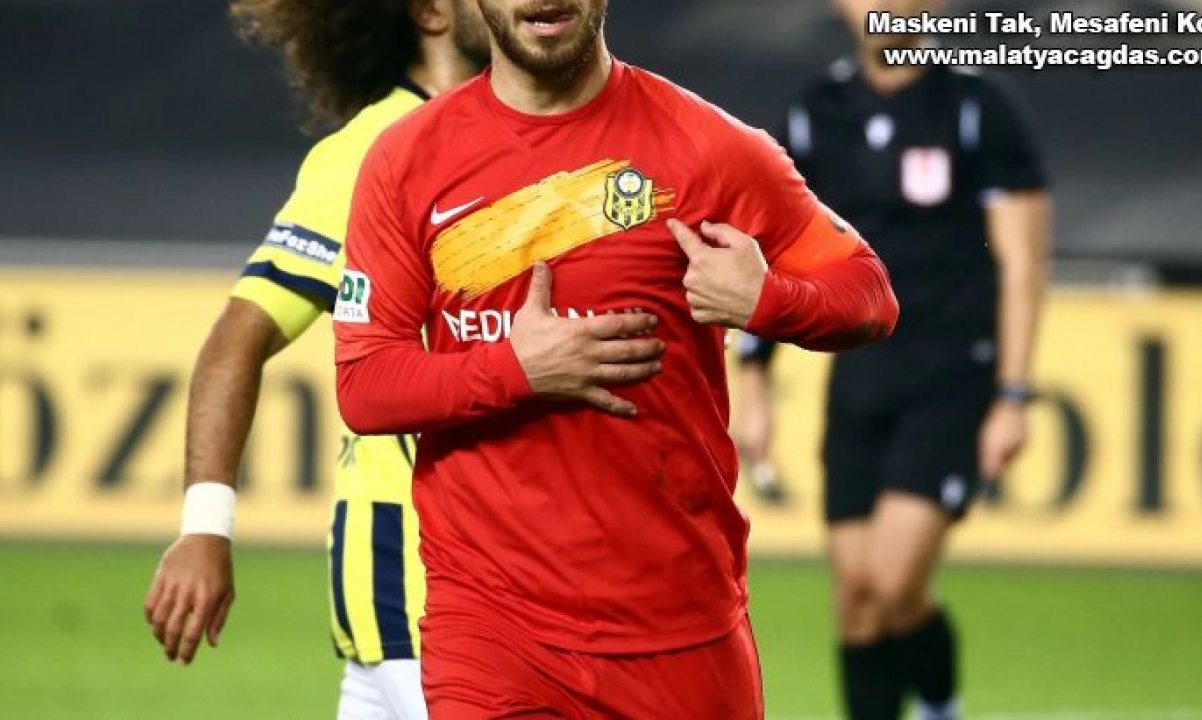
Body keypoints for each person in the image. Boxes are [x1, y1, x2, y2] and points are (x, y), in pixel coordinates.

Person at [332, 0, 900, 715]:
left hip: (680, 628)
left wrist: (769, 300)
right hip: (492, 631)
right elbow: (366, 385)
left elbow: (869, 293)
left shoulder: (707, 146)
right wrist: (516, 370)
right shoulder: (406, 159)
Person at [143, 1, 490, 718]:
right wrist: (206, 525)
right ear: (430, 12)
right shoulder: (372, 152)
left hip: (464, 595)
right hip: (422, 592)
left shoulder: (527, 143)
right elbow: (237, 339)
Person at [735, 1, 1052, 718]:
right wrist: (754, 386)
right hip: (859, 374)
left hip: (951, 374)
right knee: (856, 601)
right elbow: (771, 250)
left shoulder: (976, 107)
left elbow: (1023, 263)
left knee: (893, 583)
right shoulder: (817, 112)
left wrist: (1013, 394)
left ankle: (941, 706)